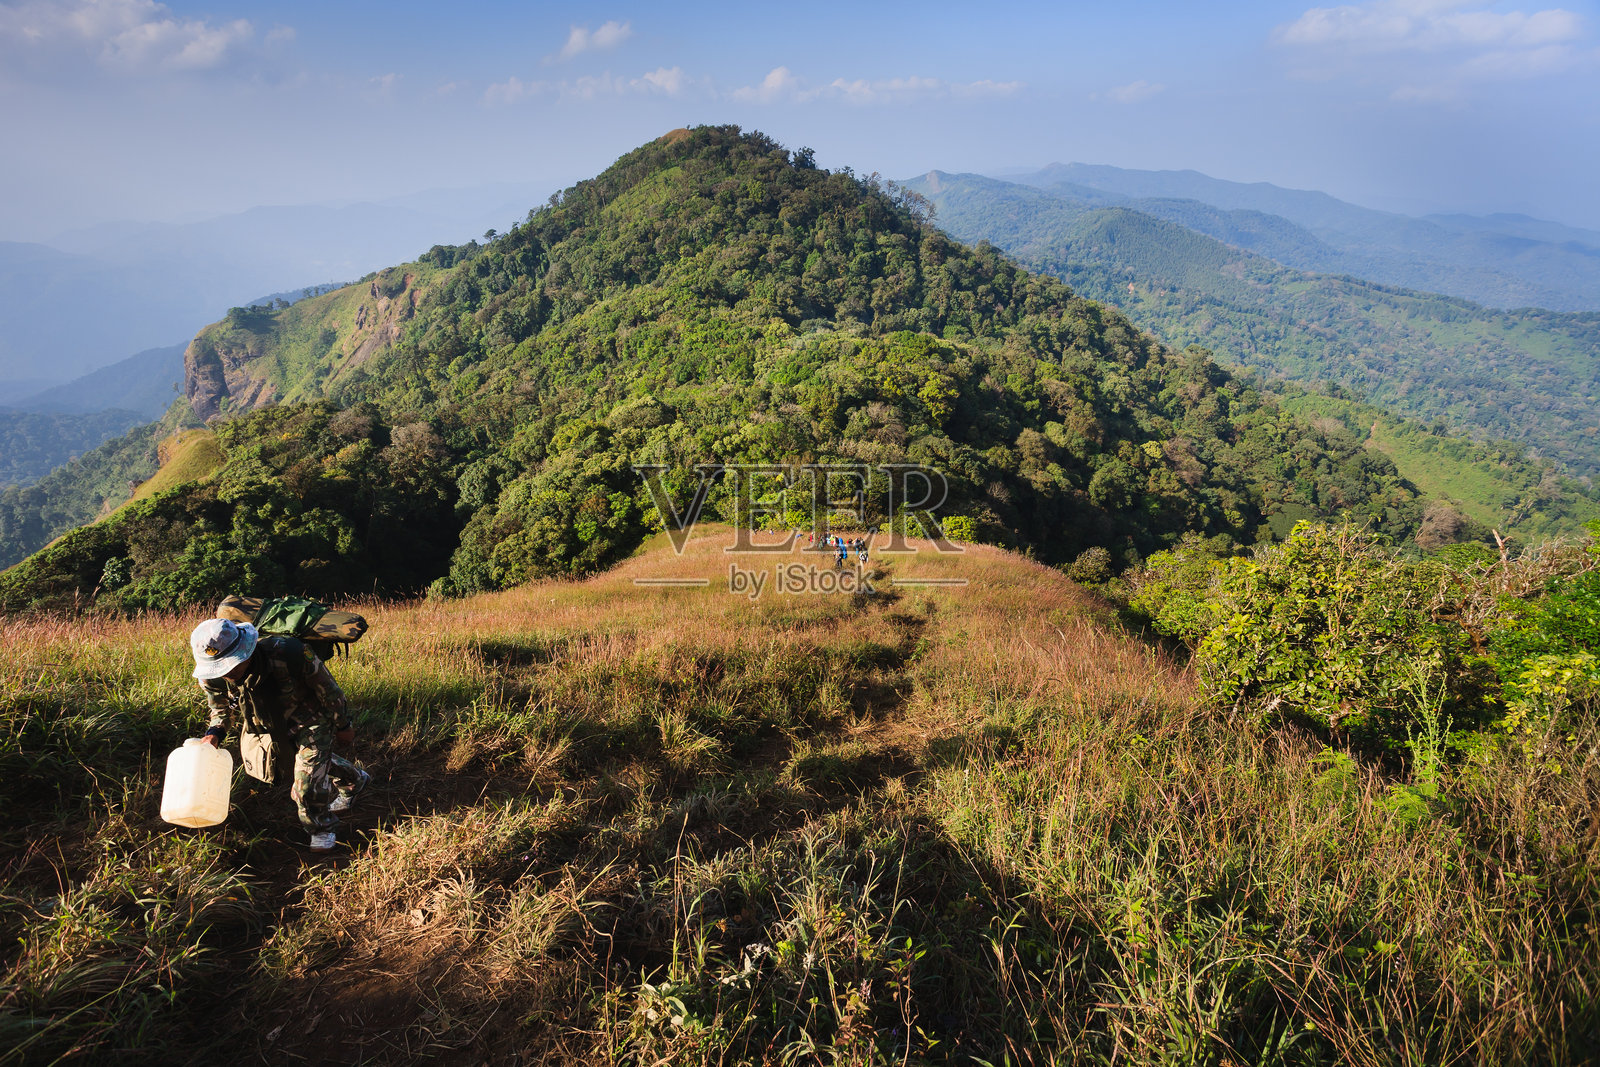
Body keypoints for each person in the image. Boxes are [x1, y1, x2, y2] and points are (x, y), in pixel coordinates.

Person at [189, 617, 369, 853]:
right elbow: (220, 710)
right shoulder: (211, 677)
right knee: (305, 765)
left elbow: (328, 689)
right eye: (221, 668)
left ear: (248, 651)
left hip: (311, 718)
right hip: (267, 725)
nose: (228, 672)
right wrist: (214, 733)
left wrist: (344, 725)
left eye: (232, 665)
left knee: (304, 784)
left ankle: (321, 828)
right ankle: (355, 778)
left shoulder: (288, 653)